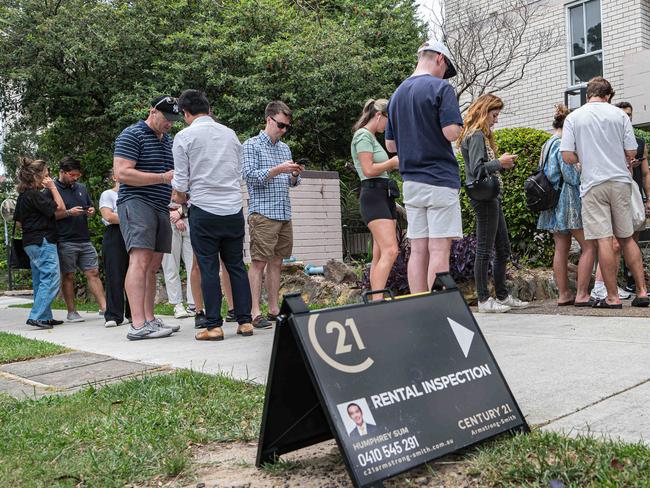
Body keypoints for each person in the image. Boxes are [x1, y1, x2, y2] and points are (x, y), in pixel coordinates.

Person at [172, 89, 253, 341]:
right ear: (208, 108)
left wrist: (180, 198)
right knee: (236, 266)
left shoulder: (184, 136)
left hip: (204, 210)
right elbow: (239, 173)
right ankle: (245, 322)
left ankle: (214, 326)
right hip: (232, 208)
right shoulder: (230, 134)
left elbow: (181, 184)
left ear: (185, 113)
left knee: (208, 267)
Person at [560, 77, 649, 308]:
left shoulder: (574, 117)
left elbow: (567, 156)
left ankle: (612, 297)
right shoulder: (619, 115)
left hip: (593, 184)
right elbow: (631, 151)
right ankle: (641, 292)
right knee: (627, 238)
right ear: (608, 95)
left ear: (588, 94)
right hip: (620, 181)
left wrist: (586, 157)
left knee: (603, 240)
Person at [385, 40, 464, 293]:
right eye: (446, 68)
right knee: (439, 249)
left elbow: (390, 145)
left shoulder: (397, 94)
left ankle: (417, 303)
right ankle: (436, 309)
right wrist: (459, 125)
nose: (445, 75)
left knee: (418, 249)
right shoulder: (441, 88)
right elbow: (451, 132)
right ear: (440, 59)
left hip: (411, 182)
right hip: (440, 179)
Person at [113, 95, 182, 340]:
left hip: (161, 205)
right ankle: (137, 324)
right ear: (152, 111)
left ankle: (150, 320)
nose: (169, 124)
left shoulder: (168, 140)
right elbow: (122, 173)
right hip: (136, 203)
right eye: (166, 118)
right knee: (139, 260)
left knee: (153, 266)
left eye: (174, 120)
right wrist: (162, 178)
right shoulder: (132, 134)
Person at [457, 94, 528, 313]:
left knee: (502, 247)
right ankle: (484, 299)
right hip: (485, 198)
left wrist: (500, 162)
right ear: (484, 111)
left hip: (489, 197)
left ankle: (502, 295)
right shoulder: (476, 135)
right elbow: (477, 170)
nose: (496, 120)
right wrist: (500, 162)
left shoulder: (477, 135)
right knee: (486, 249)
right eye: (494, 115)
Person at [243, 101, 304, 327]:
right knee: (258, 262)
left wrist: (295, 175)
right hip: (263, 213)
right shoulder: (251, 145)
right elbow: (250, 176)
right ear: (269, 119)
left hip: (283, 212)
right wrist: (278, 169)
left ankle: (273, 309)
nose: (283, 130)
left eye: (287, 126)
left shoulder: (284, 148)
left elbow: (290, 183)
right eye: (280, 125)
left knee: (277, 263)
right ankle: (254, 312)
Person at [536, 105, 596, 307]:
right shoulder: (562, 143)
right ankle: (581, 294)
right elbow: (570, 176)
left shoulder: (547, 144)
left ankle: (564, 294)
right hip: (568, 200)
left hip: (553, 203)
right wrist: (580, 167)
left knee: (561, 247)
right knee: (589, 246)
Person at [44, 156, 106, 322]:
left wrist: (90, 210)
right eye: (72, 175)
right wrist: (69, 213)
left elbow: (87, 205)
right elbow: (48, 216)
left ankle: (104, 308)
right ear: (62, 172)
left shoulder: (81, 188)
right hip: (64, 239)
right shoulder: (51, 189)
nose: (75, 178)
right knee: (68, 275)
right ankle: (72, 312)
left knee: (93, 272)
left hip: (84, 238)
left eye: (77, 175)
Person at [351, 99, 400, 299]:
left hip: (384, 194)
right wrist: (392, 162)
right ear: (379, 115)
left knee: (380, 253)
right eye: (389, 120)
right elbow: (368, 169)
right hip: (373, 195)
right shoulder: (363, 136)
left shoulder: (371, 137)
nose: (389, 127)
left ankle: (375, 299)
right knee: (391, 250)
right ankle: (377, 301)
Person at [14, 158, 66, 328]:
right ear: (37, 175)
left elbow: (20, 222)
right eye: (46, 173)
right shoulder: (35, 195)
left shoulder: (23, 196)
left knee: (40, 280)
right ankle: (36, 315)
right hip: (43, 240)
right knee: (51, 277)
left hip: (30, 242)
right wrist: (52, 187)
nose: (48, 176)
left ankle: (44, 316)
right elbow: (60, 208)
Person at [99, 171, 131, 327]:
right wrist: (132, 219)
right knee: (115, 274)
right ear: (114, 177)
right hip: (115, 234)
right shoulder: (108, 194)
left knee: (134, 273)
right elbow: (108, 216)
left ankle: (133, 313)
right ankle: (113, 315)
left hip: (132, 234)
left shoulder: (133, 195)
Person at [162, 200, 195, 318]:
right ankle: (177, 304)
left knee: (194, 265)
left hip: (189, 219)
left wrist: (181, 211)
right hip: (167, 221)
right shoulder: (159, 181)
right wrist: (174, 217)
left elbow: (195, 195)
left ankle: (193, 304)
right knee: (170, 265)